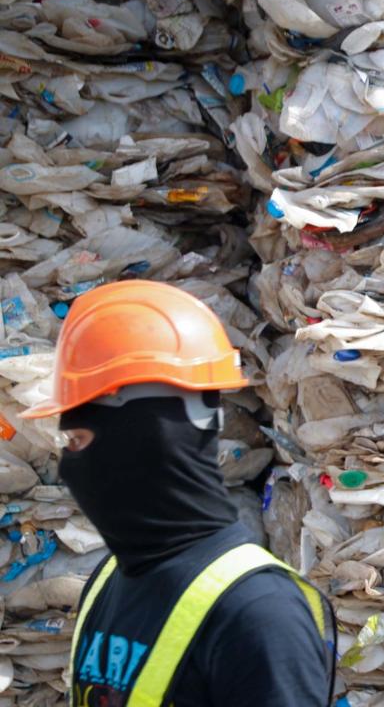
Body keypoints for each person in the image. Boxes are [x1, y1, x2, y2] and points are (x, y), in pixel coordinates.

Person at [21, 280, 336, 707]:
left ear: (146, 440)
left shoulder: (258, 612)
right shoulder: (108, 580)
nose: (71, 468)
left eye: (79, 442)